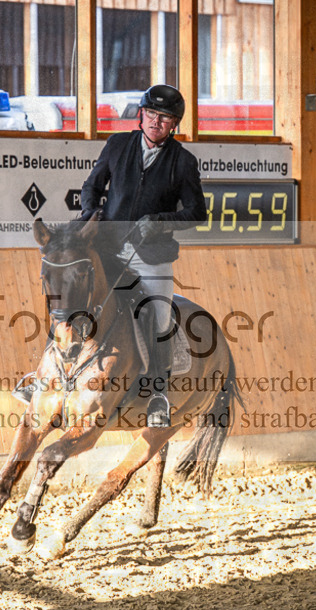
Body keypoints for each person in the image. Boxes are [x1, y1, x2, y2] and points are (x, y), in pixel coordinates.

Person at [79, 84, 208, 428]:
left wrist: (162, 223)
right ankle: (45, 376)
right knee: (74, 295)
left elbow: (198, 213)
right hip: (109, 249)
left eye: (164, 118)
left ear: (174, 125)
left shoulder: (183, 162)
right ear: (141, 115)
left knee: (160, 317)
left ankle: (158, 395)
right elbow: (92, 186)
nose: (156, 122)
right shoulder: (117, 145)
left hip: (151, 257)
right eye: (151, 114)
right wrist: (92, 214)